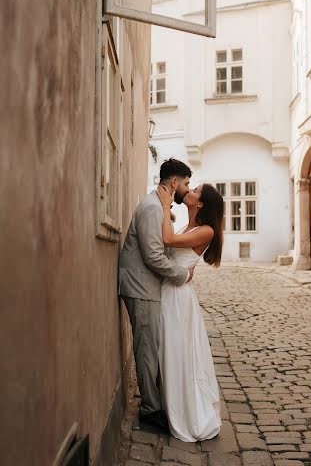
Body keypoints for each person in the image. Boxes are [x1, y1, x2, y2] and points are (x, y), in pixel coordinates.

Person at [118, 158, 193, 431]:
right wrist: (182, 274)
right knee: (147, 349)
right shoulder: (152, 208)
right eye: (186, 183)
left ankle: (155, 401)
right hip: (140, 286)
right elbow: (152, 256)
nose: (187, 188)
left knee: (153, 347)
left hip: (146, 286)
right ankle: (150, 410)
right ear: (174, 183)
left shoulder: (157, 208)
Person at [157, 182, 224, 442]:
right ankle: (170, 403)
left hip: (178, 298)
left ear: (201, 203)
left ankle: (186, 412)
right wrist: (168, 216)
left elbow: (168, 240)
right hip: (171, 290)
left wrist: (164, 207)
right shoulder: (189, 226)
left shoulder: (206, 231)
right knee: (171, 350)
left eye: (195, 191)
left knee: (178, 352)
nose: (190, 192)